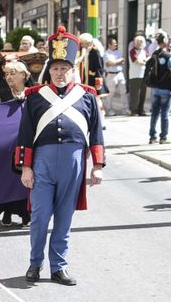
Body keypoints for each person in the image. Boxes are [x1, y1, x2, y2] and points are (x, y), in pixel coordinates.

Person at [17, 30, 105, 285]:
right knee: (40, 217)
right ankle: (35, 264)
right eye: (55, 67)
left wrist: (97, 166)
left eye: (64, 67)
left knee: (64, 218)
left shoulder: (87, 95)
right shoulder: (35, 97)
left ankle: (59, 267)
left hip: (74, 161)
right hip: (42, 162)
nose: (59, 72)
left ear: (72, 68)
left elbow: (96, 133)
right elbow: (25, 135)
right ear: (49, 70)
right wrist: (26, 168)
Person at [0, 60, 33, 228]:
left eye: (12, 73)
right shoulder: (2, 94)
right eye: (6, 74)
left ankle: (26, 213)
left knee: (26, 177)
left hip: (27, 143)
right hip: (6, 144)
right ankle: (7, 211)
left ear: (23, 75)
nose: (8, 77)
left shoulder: (33, 94)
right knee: (7, 177)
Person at [146, 31, 171, 143]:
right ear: (165, 42)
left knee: (154, 113)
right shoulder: (169, 56)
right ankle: (163, 137)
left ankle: (152, 136)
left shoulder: (154, 54)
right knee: (165, 113)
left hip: (155, 87)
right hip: (166, 88)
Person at [101, 36, 125, 116]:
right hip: (111, 74)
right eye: (114, 44)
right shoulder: (106, 53)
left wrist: (115, 62)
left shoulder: (118, 52)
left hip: (119, 73)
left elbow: (122, 61)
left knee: (123, 91)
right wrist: (117, 62)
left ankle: (125, 108)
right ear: (109, 45)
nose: (116, 45)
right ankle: (109, 109)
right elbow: (109, 64)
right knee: (110, 93)